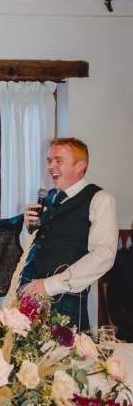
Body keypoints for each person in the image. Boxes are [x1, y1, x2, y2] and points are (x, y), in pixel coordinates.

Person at [19, 137, 118, 332]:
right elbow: (29, 249)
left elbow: (103, 256)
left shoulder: (101, 200)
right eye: (49, 160)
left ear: (81, 165)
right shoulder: (47, 199)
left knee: (66, 360)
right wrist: (26, 228)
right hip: (29, 288)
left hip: (64, 295)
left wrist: (50, 285)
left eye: (58, 160)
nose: (51, 166)